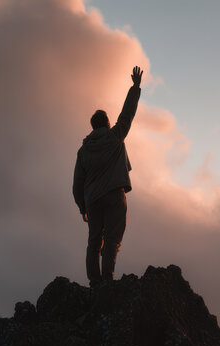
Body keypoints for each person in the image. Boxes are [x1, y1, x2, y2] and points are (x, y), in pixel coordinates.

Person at [73, 66, 143, 286]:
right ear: (107, 123)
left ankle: (94, 282)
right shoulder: (115, 137)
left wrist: (82, 207)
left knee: (94, 240)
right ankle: (107, 280)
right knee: (112, 239)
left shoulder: (83, 151)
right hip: (114, 195)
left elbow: (77, 184)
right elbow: (127, 115)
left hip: (93, 200)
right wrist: (135, 87)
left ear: (92, 127)